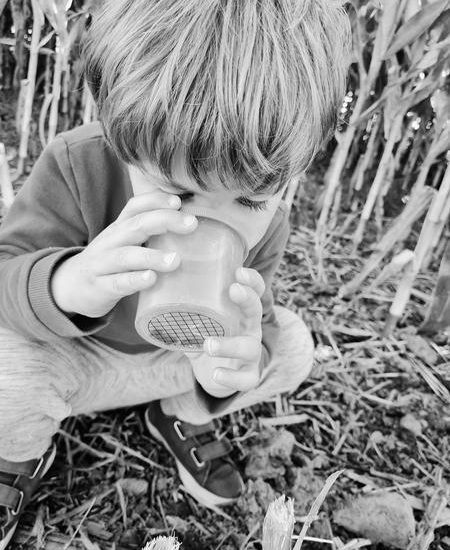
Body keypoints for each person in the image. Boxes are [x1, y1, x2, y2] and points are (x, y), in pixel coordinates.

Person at [0, 0, 350, 546]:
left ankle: (181, 415)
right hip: (74, 363)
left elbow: (253, 325)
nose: (211, 221)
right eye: (181, 191)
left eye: (251, 200)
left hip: (174, 364)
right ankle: (15, 456)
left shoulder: (271, 226)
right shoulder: (77, 164)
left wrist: (230, 369)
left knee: (294, 348)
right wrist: (67, 284)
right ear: (123, 143)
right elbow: (5, 275)